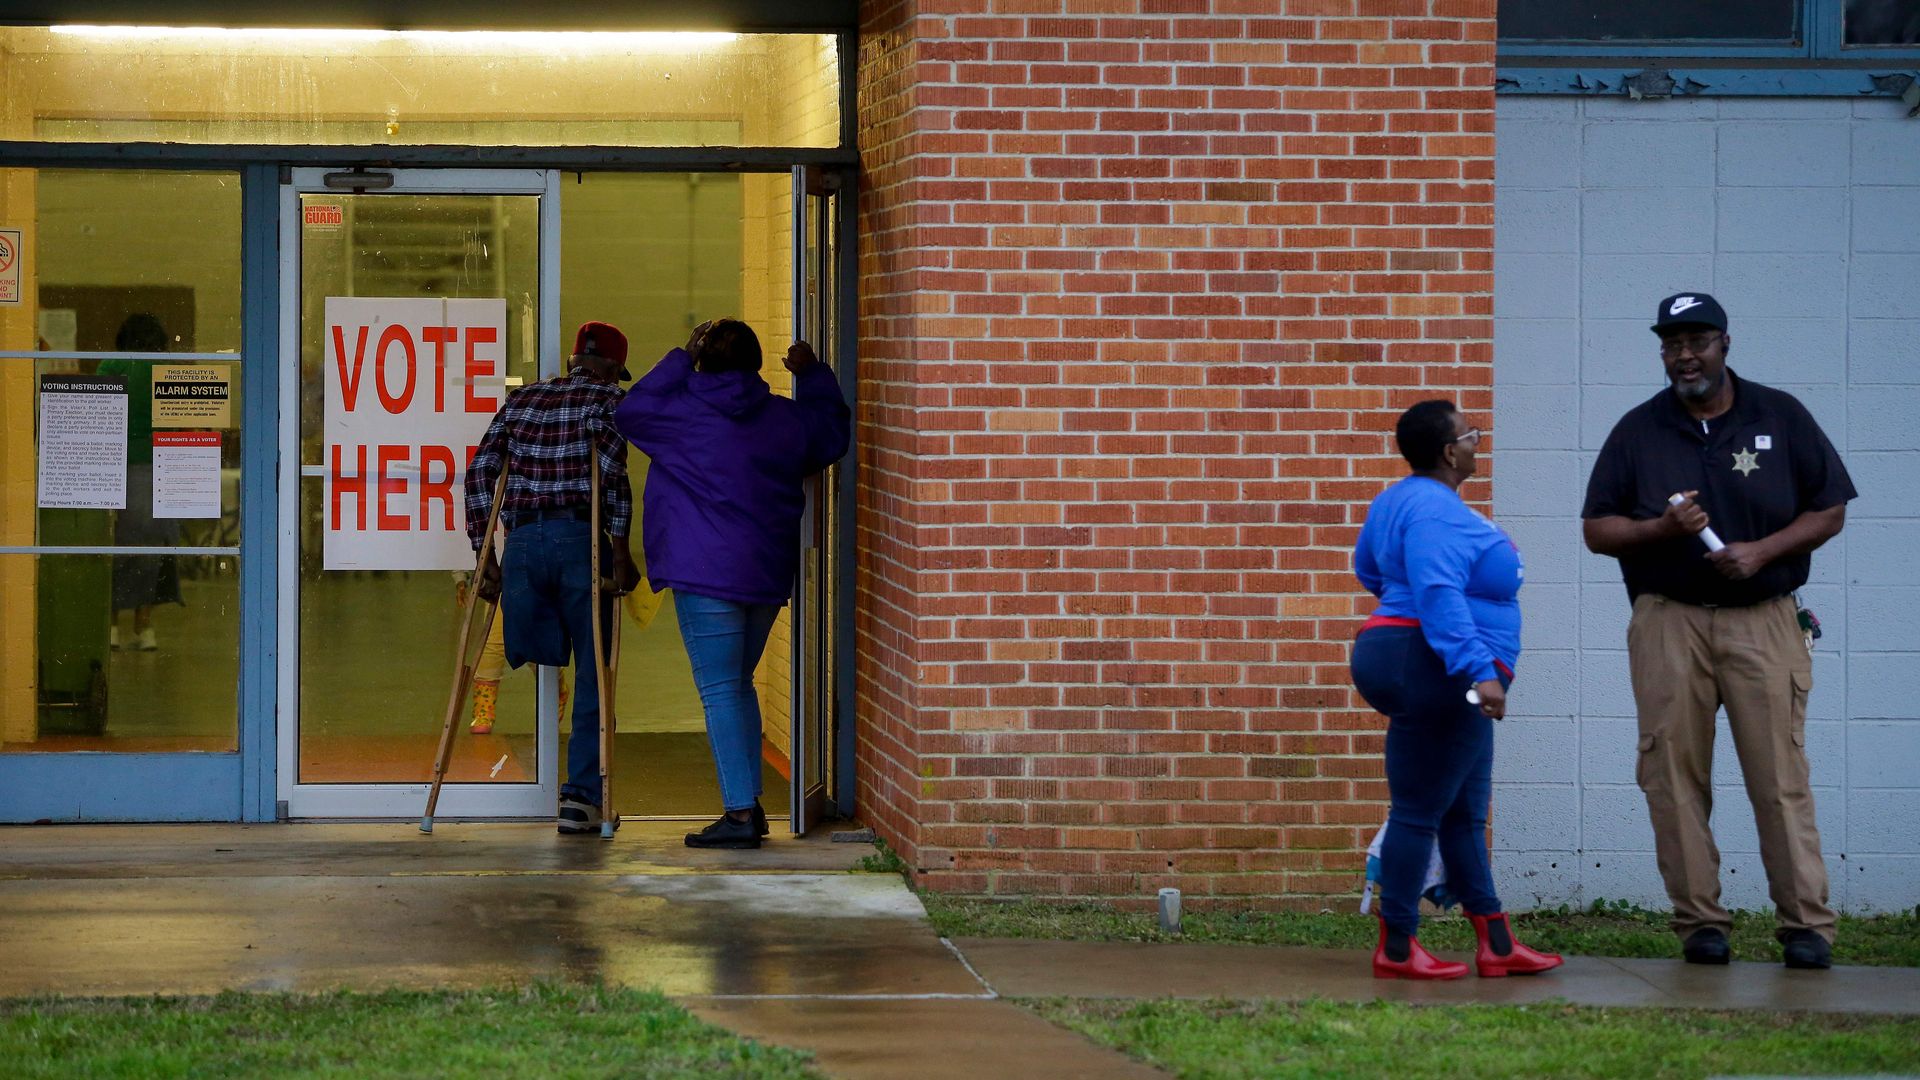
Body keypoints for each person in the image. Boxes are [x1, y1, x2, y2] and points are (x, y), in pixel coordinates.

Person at [1582, 292, 1854, 970]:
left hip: (1763, 619)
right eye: (1672, 345)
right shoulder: (1639, 430)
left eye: (1697, 341)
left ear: (1725, 343)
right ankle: (1701, 922)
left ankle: (1806, 928)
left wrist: (1761, 551)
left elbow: (1830, 509)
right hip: (1669, 619)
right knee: (1671, 774)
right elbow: (1596, 529)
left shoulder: (1780, 415)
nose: (1684, 356)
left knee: (1779, 776)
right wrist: (1658, 530)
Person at [614, 318, 849, 850]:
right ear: (755, 362)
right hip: (764, 573)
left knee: (721, 689)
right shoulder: (783, 420)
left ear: (701, 359)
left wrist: (679, 356)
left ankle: (740, 814)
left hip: (704, 574)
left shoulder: (677, 414)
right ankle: (749, 807)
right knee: (736, 685)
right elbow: (831, 434)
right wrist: (812, 375)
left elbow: (629, 410)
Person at [1351, 399, 1562, 980]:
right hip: (1434, 664)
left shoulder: (1397, 499)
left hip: (1403, 651)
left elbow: (1368, 566)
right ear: (1449, 451)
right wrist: (1479, 669)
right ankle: (1396, 949)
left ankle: (1496, 942)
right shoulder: (1437, 511)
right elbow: (1438, 591)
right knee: (1419, 811)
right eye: (1470, 434)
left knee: (1464, 813)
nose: (1477, 440)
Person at [465, 321, 640, 835]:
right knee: (593, 671)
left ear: (572, 359)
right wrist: (622, 554)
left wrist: (485, 554)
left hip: (521, 547)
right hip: (577, 542)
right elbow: (613, 479)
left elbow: (481, 473)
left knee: (533, 648)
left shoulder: (522, 401)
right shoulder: (607, 404)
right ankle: (580, 799)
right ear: (609, 368)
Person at [100, 314, 182, 652]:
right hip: (157, 468)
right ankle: (144, 627)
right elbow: (179, 425)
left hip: (113, 468)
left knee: (114, 551)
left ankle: (111, 626)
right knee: (152, 551)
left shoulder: (108, 368)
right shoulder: (166, 371)